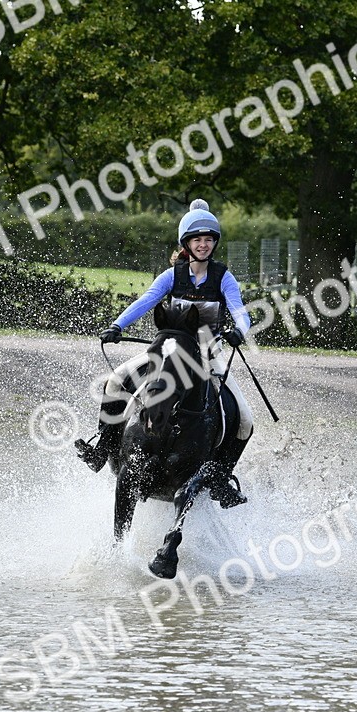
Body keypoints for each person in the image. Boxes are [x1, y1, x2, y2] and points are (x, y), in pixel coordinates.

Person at [74, 199, 254, 508]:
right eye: (197, 239)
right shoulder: (172, 275)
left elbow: (240, 312)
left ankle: (221, 480)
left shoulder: (223, 277)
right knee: (116, 380)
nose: (203, 244)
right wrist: (117, 325)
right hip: (170, 351)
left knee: (246, 421)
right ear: (186, 243)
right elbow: (145, 301)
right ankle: (103, 447)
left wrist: (240, 330)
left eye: (208, 239)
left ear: (214, 243)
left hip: (208, 355)